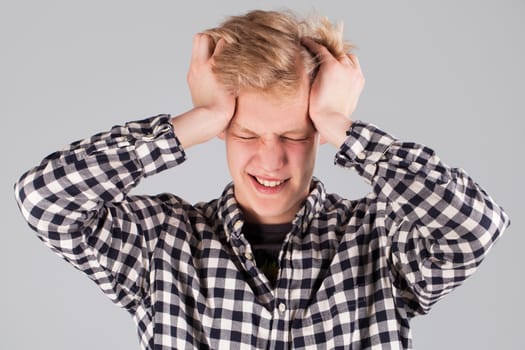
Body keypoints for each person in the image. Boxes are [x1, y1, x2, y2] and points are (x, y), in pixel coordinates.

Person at [14, 9, 510, 350]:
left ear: (319, 133)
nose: (270, 160)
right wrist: (193, 122)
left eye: (294, 135)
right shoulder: (160, 241)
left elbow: (475, 230)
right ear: (222, 132)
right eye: (246, 133)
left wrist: (344, 127)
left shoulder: (381, 237)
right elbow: (44, 200)